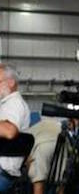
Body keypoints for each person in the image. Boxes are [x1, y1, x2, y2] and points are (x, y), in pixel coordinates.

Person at [0, 64, 31, 193]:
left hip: (3, 173)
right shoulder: (6, 104)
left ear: (11, 82)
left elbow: (10, 131)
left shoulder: (14, 103)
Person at [23, 118, 62, 194]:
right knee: (61, 181)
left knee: (38, 180)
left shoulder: (26, 129)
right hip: (61, 139)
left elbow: (26, 158)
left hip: (43, 143)